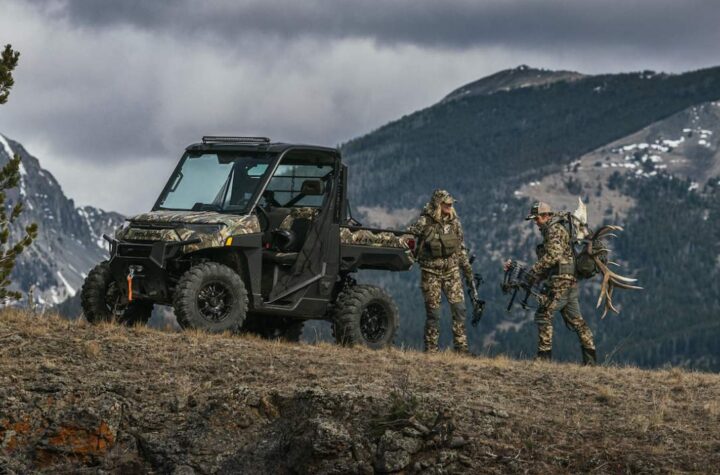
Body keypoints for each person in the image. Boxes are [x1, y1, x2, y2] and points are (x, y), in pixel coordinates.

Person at [506, 202, 596, 364]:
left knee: (543, 314)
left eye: (537, 218)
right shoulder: (556, 229)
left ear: (546, 216)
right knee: (577, 321)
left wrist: (533, 271)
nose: (536, 222)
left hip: (560, 282)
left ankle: (544, 357)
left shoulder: (553, 230)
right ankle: (591, 360)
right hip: (569, 281)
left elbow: (553, 256)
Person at [407, 189, 473, 353]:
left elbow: (460, 248)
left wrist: (467, 271)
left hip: (452, 272)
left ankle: (461, 349)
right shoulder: (425, 221)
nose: (450, 206)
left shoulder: (455, 223)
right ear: (438, 203)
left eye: (451, 204)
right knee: (434, 314)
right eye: (446, 203)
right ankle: (431, 350)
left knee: (459, 309)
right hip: (431, 273)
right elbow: (407, 236)